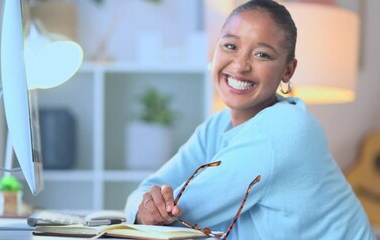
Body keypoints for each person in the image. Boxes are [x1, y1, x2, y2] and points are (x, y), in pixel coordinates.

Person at [125, 0, 375, 239]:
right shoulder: (215, 127)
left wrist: (152, 209)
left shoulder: (286, 129)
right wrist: (144, 206)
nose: (240, 65)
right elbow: (144, 193)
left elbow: (178, 212)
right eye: (230, 46)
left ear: (288, 70)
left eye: (262, 55)